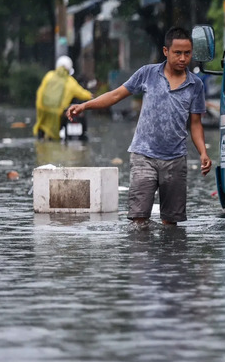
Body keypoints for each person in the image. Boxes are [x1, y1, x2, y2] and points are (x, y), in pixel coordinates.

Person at [66, 26, 212, 227]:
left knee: (171, 223)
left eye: (187, 53)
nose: (183, 58)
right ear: (165, 51)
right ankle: (141, 257)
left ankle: (171, 258)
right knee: (138, 220)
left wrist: (203, 152)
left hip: (175, 158)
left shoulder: (195, 85)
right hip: (144, 155)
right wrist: (85, 105)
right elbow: (116, 95)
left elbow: (195, 124)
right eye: (177, 53)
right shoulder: (148, 74)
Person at [33, 56, 93, 140]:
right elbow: (83, 94)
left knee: (42, 131)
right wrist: (93, 96)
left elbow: (40, 92)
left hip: (43, 110)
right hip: (58, 113)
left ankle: (43, 137)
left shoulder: (48, 75)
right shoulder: (70, 81)